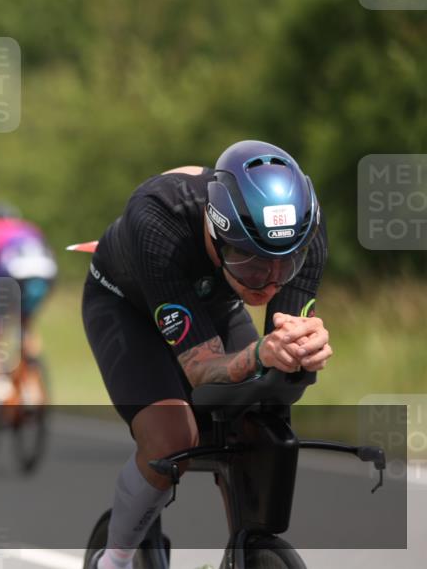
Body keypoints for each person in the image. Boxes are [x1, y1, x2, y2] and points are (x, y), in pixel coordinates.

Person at [81, 140, 330, 569]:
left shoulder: (303, 229)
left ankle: (245, 550)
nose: (269, 283)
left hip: (213, 299)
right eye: (250, 263)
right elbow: (201, 370)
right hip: (126, 304)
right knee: (172, 436)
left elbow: (281, 345)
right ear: (215, 231)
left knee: (260, 416)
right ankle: (115, 559)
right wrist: (259, 354)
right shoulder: (158, 217)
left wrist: (304, 348)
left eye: (283, 264)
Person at [0, 203, 57, 404]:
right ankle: (32, 388)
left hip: (7, 276)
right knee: (26, 326)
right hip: (45, 276)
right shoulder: (29, 229)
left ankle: (1, 389)